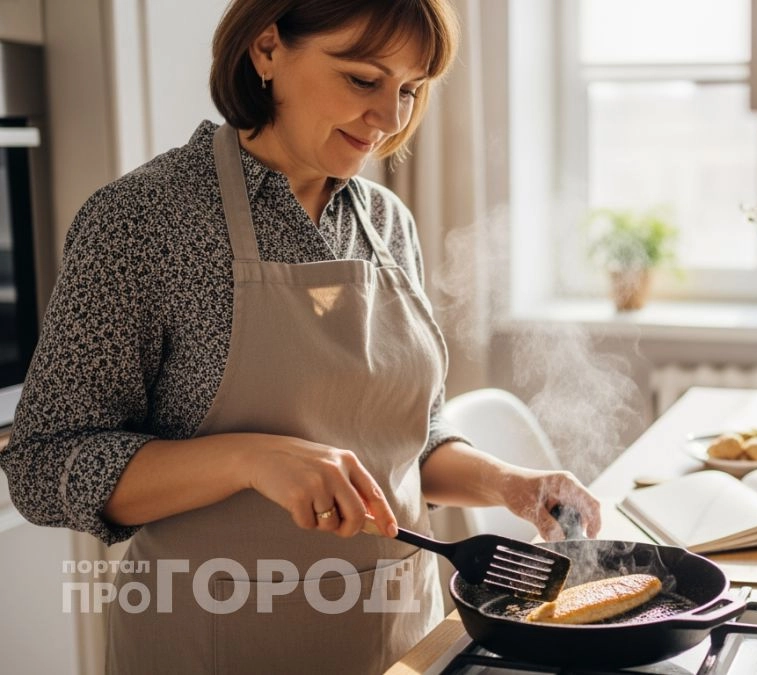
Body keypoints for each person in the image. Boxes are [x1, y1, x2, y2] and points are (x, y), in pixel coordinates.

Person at [0, 1, 602, 673]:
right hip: (215, 641)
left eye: (409, 88)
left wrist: (509, 484)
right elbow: (41, 464)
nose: (393, 118)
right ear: (266, 50)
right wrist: (248, 459)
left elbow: (405, 441)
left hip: (401, 640)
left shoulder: (386, 222)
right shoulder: (143, 221)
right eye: (362, 79)